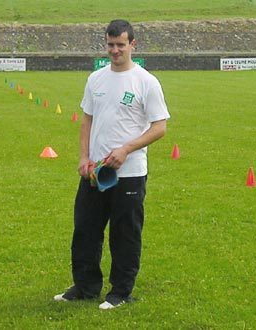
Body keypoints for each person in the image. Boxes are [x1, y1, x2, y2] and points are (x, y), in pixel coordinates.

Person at [54, 19, 170, 310]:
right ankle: (85, 287)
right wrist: (84, 157)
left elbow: (160, 127)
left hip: (129, 174)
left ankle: (120, 292)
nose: (115, 50)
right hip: (95, 172)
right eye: (110, 45)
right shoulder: (96, 79)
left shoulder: (146, 82)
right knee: (85, 230)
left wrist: (127, 149)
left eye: (120, 44)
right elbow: (86, 121)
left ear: (133, 44)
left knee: (125, 233)